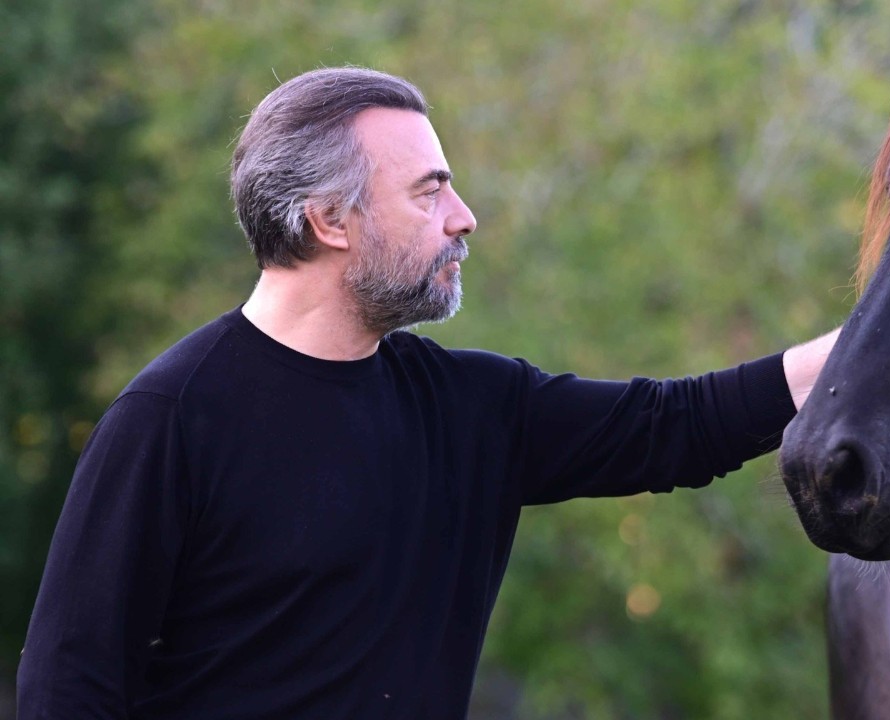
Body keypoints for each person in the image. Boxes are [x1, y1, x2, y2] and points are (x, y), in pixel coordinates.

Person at [16, 67, 838, 719]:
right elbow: (70, 686)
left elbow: (678, 425)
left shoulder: (472, 409)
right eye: (428, 190)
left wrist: (883, 342)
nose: (464, 217)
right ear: (331, 222)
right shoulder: (170, 419)